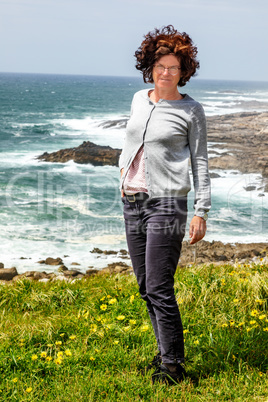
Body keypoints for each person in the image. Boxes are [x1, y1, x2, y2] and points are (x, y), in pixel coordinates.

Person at [119, 25, 211, 385]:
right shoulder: (139, 99)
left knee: (159, 286)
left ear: (184, 71)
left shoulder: (191, 111)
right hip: (132, 202)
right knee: (145, 286)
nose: (167, 73)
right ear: (150, 67)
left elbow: (200, 161)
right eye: (161, 65)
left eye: (174, 67)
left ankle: (173, 366)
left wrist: (201, 210)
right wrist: (122, 179)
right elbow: (131, 143)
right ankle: (164, 352)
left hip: (168, 205)